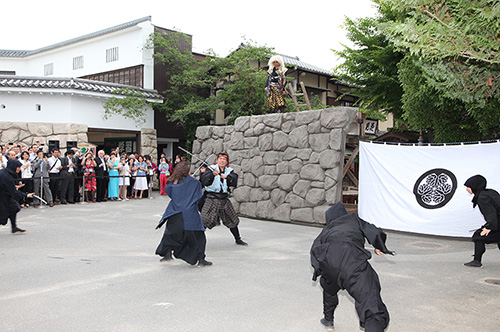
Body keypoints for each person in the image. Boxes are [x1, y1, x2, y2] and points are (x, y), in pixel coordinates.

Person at [310, 202, 392, 332]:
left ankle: (328, 321)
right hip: (353, 261)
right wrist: (380, 246)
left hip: (329, 260)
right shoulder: (353, 219)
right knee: (371, 308)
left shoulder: (327, 229)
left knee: (328, 288)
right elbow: (373, 231)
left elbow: (315, 248)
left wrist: (319, 270)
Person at [155, 161, 212, 267]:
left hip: (174, 212)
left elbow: (169, 192)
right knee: (199, 237)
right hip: (190, 214)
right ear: (187, 171)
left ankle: (167, 254)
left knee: (171, 235)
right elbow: (198, 196)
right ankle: (201, 260)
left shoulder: (172, 182)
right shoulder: (194, 183)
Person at [200, 151, 247, 246]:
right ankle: (196, 240)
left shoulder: (229, 171)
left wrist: (227, 177)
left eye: (224, 159)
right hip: (212, 198)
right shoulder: (210, 169)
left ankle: (238, 239)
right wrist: (212, 175)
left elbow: (233, 179)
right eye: (220, 158)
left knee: (232, 219)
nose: (222, 160)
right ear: (217, 160)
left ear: (226, 161)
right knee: (204, 219)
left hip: (224, 199)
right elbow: (204, 180)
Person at [463, 175, 500, 268]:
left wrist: (489, 227)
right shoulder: (489, 192)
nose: (467, 189)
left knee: (478, 236)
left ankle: (477, 261)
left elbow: (491, 213)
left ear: (475, 186)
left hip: (497, 222)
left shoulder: (482, 197)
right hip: (497, 221)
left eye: (468, 187)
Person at [0, 159, 35, 233]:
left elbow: (9, 187)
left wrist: (15, 186)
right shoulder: (6, 176)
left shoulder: (6, 172)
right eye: (18, 167)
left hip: (6, 196)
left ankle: (14, 227)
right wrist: (26, 195)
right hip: (2, 197)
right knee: (2, 217)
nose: (19, 169)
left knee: (14, 208)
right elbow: (13, 192)